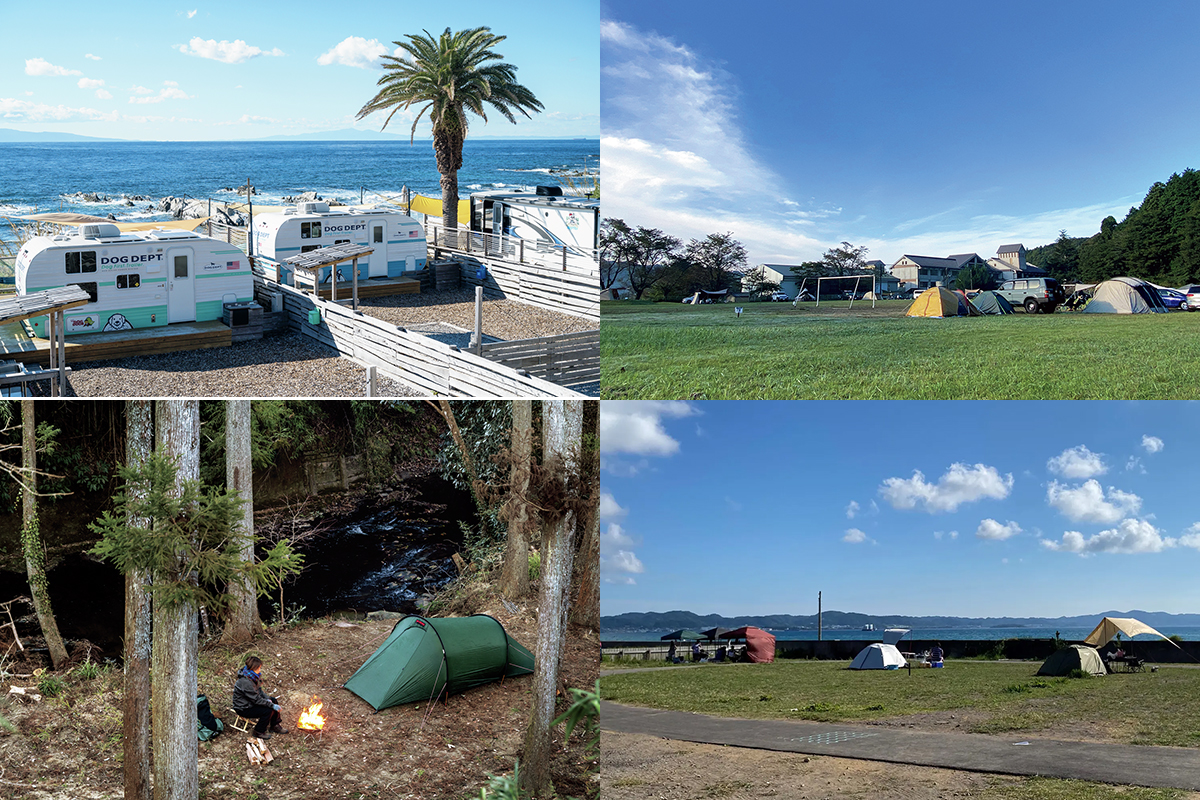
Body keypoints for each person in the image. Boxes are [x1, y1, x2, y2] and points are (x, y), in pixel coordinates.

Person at [233, 656, 288, 739]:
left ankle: (274, 725)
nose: (260, 670)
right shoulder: (245, 682)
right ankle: (258, 731)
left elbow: (259, 691)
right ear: (253, 668)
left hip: (250, 702)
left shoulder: (251, 676)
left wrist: (268, 699)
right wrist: (271, 705)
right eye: (259, 668)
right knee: (268, 710)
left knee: (273, 700)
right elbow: (256, 699)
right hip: (243, 707)